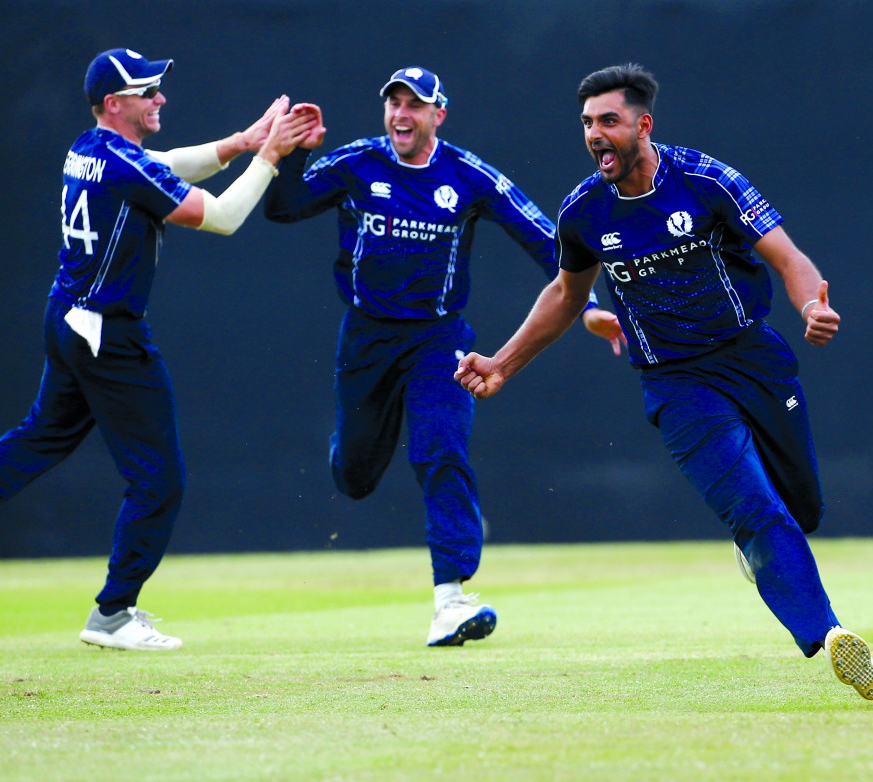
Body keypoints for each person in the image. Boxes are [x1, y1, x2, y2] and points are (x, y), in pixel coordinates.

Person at [455, 63, 873, 699]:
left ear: (643, 124)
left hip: (754, 360)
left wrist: (810, 308)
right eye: (586, 124)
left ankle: (763, 551)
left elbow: (788, 257)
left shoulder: (708, 181)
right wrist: (501, 362)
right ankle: (830, 634)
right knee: (756, 508)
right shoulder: (582, 212)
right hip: (675, 384)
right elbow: (564, 293)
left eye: (609, 121)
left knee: (802, 509)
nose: (595, 134)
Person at [0, 47, 319, 651]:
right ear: (115, 104)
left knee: (40, 435)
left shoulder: (90, 148)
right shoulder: (123, 162)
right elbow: (224, 217)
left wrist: (241, 142)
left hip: (66, 315)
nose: (160, 98)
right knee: (159, 480)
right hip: (108, 334)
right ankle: (114, 613)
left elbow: (162, 165)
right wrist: (271, 157)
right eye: (148, 91)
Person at [264, 66, 624, 647]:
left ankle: (450, 599)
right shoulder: (356, 163)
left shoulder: (467, 174)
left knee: (441, 448)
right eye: (394, 104)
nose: (401, 115)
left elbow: (544, 236)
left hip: (439, 339)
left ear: (439, 115)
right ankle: (402, 489)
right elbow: (282, 209)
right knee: (354, 477)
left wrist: (588, 307)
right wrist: (287, 157)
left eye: (415, 105)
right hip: (366, 338)